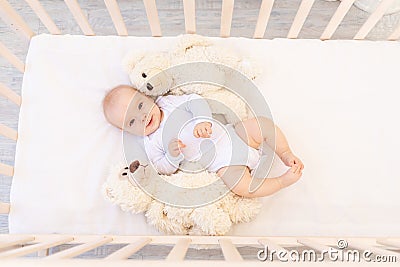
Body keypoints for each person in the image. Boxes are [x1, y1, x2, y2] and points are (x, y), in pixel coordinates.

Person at [103, 85, 304, 198]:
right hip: (223, 163)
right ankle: (280, 182)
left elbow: (196, 101)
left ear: (146, 96)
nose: (142, 116)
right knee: (243, 187)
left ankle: (286, 153)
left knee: (262, 124)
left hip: (232, 134)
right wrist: (172, 157)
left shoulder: (168, 102)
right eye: (131, 121)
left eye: (140, 105)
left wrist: (202, 120)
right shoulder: (151, 142)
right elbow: (162, 168)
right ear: (126, 130)